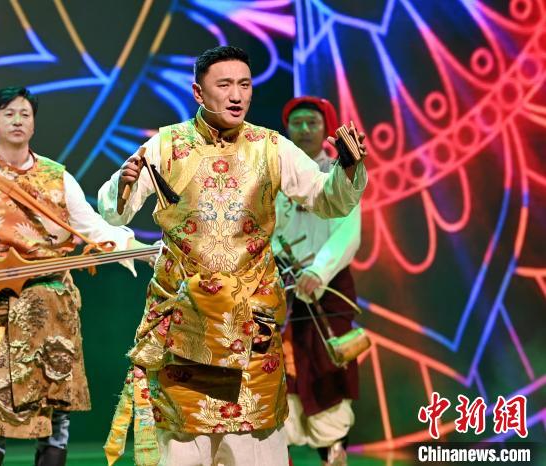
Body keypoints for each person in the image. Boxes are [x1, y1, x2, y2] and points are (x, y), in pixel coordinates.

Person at [98, 46, 368, 466]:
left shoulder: (270, 147)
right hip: (185, 318)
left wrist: (347, 169)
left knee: (252, 441)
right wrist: (124, 184)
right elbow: (115, 211)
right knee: (184, 443)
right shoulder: (168, 144)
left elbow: (326, 199)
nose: (237, 94)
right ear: (198, 92)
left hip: (249, 320)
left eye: (244, 84)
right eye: (224, 85)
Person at [0, 86, 143, 466]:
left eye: (25, 113)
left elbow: (95, 229)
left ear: (34, 124)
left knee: (57, 415)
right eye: (8, 113)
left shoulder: (58, 177)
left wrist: (142, 249)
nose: (17, 120)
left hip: (54, 309)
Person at [273, 96, 362, 466]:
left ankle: (332, 449)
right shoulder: (277, 175)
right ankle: (280, 449)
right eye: (297, 123)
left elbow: (349, 231)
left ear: (326, 128)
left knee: (327, 367)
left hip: (328, 288)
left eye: (312, 122)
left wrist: (318, 271)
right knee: (281, 369)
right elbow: (265, 227)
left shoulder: (338, 175)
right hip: (283, 288)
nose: (304, 129)